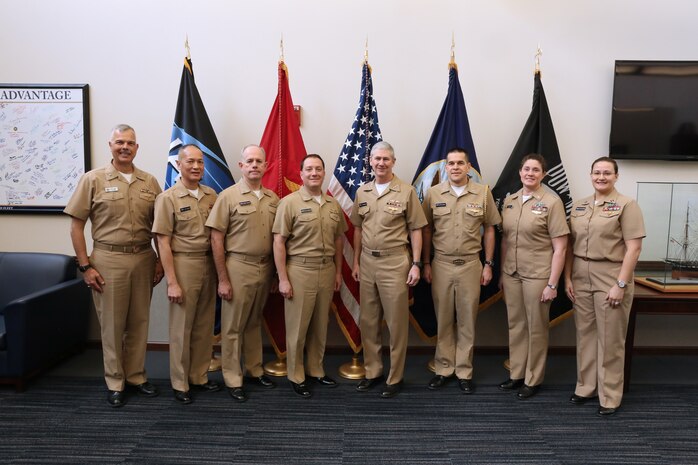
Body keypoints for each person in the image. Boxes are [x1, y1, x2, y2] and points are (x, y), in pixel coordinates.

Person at [65, 124, 164, 408]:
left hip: (144, 258)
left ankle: (136, 376)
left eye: (130, 143)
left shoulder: (149, 182)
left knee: (139, 322)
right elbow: (76, 226)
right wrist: (85, 266)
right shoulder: (93, 180)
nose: (124, 147)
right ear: (110, 145)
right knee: (111, 324)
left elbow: (159, 227)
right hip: (108, 260)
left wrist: (158, 260)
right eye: (119, 142)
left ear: (136, 147)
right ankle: (115, 381)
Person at [564, 156, 645, 416]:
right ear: (590, 175)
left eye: (607, 173)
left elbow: (634, 248)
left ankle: (609, 396)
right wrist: (567, 278)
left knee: (610, 338)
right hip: (580, 274)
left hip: (610, 274)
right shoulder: (579, 206)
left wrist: (620, 284)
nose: (601, 177)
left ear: (616, 176)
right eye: (597, 172)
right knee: (585, 334)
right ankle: (586, 387)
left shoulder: (626, 205)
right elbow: (568, 246)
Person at [350, 141, 427, 398]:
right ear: (370, 161)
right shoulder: (363, 191)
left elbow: (416, 229)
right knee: (369, 322)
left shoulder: (406, 192)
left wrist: (416, 264)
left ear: (393, 162)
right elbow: (358, 229)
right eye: (376, 158)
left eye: (386, 159)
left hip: (396, 263)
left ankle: (395, 377)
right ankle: (373, 371)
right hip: (368, 263)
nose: (381, 163)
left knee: (396, 323)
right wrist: (356, 261)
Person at [422, 148, 501, 394]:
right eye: (451, 163)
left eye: (460, 163)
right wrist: (425, 262)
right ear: (445, 167)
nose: (455, 167)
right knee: (443, 319)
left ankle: (464, 371)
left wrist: (488, 264)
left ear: (468, 167)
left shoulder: (483, 193)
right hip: (441, 264)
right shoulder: (434, 194)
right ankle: (444, 368)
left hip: (470, 264)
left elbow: (490, 228)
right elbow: (426, 229)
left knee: (467, 320)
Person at [206, 144, 278, 402]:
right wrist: (223, 278)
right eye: (250, 161)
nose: (255, 165)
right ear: (241, 165)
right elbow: (216, 238)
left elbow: (278, 240)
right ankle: (233, 377)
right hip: (237, 266)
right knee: (233, 326)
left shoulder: (273, 199)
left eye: (259, 161)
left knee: (254, 322)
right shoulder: (228, 196)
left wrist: (276, 275)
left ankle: (254, 369)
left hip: (265, 267)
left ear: (266, 165)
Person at [273, 154, 348, 398]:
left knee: (320, 325)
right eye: (309, 169)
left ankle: (316, 369)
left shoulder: (332, 204)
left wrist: (338, 272)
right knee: (297, 327)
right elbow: (279, 242)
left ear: (323, 173)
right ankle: (296, 375)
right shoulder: (289, 203)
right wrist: (283, 278)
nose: (314, 173)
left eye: (318, 169)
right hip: (299, 270)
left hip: (326, 270)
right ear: (301, 174)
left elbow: (339, 239)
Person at [153, 144, 221, 404]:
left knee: (204, 326)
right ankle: (180, 383)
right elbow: (163, 242)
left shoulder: (211, 195)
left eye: (200, 162)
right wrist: (172, 281)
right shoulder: (168, 198)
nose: (196, 166)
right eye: (190, 161)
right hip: (183, 265)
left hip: (208, 265)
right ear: (178, 165)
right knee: (182, 328)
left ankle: (199, 376)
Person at [499, 153, 569, 399]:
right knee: (515, 325)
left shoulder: (552, 202)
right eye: (526, 169)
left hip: (538, 275)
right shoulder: (510, 201)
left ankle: (533, 378)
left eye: (536, 170)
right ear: (520, 173)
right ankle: (516, 374)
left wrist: (552, 283)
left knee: (536, 327)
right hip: (512, 274)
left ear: (543, 175)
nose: (530, 173)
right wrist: (501, 273)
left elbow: (560, 247)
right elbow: (506, 240)